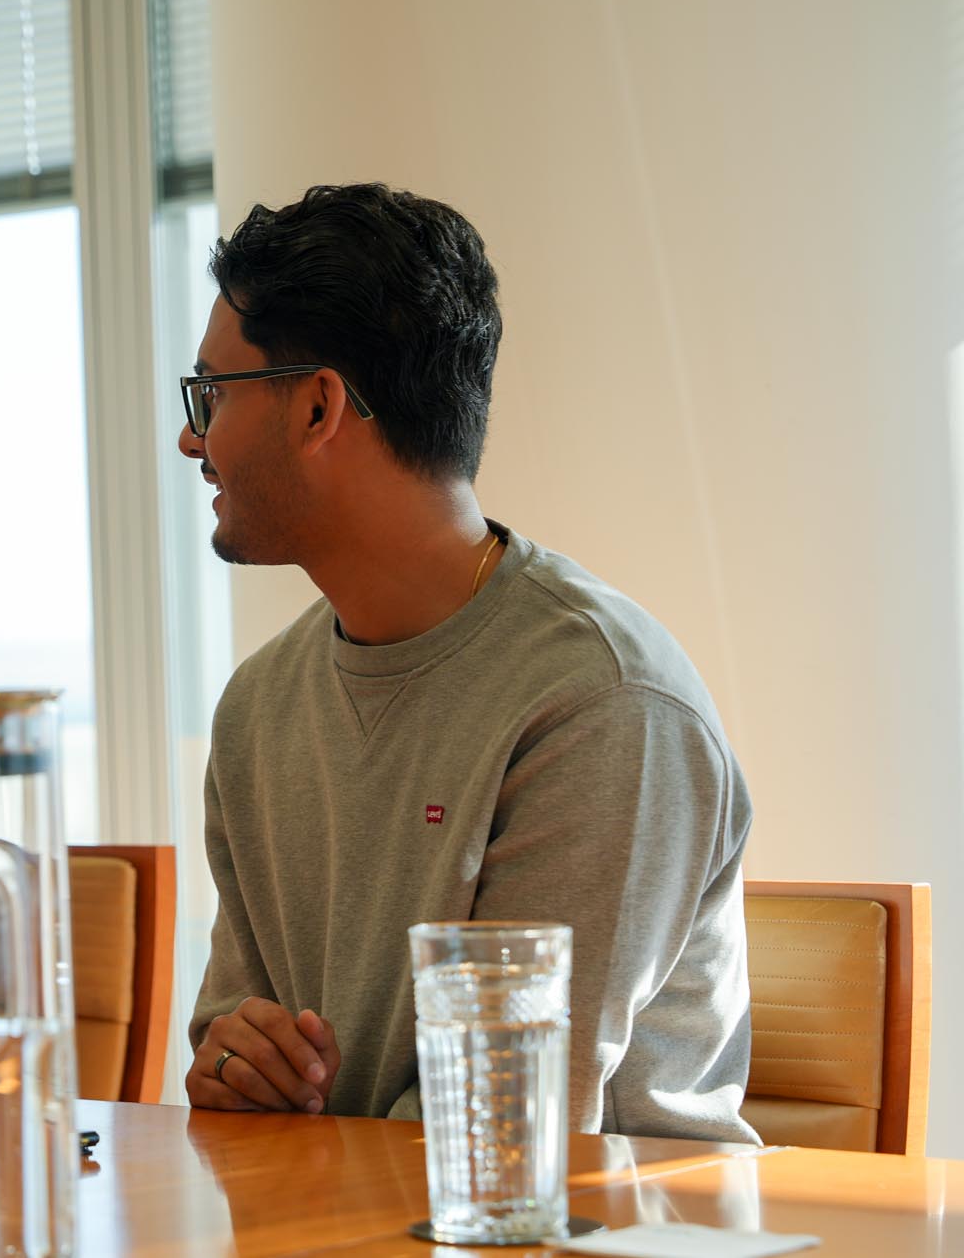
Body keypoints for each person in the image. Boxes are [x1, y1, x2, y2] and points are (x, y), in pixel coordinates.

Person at [179, 184, 756, 1142]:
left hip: (604, 1216)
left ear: (319, 405)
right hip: (348, 1206)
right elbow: (230, 1037)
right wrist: (238, 1066)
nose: (192, 438)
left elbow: (503, 1125)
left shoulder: (603, 703)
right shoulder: (257, 707)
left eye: (212, 394)